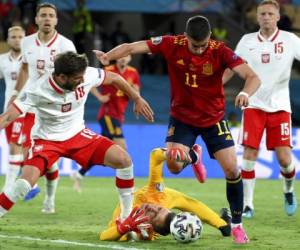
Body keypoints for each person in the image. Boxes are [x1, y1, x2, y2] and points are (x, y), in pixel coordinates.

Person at [94, 15, 262, 244]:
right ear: (186, 37)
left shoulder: (220, 50)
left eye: (203, 45)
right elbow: (134, 46)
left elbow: (252, 77)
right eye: (195, 45)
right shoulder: (173, 44)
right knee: (172, 166)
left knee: (232, 170)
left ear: (209, 38)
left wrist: (244, 93)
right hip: (182, 118)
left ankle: (237, 225)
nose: (200, 50)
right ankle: (194, 155)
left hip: (213, 119)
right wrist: (108, 56)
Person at [0, 51, 154, 220]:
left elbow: (115, 78)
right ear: (61, 77)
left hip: (79, 135)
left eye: (82, 77)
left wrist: (137, 98)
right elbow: (7, 117)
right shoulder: (37, 89)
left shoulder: (86, 74)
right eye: (76, 79)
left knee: (124, 160)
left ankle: (126, 219)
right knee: (24, 184)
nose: (82, 81)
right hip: (47, 141)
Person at [223, 0, 299, 219]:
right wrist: (216, 87)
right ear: (257, 17)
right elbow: (232, 66)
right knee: (249, 154)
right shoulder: (247, 41)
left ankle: (288, 190)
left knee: (285, 159)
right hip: (253, 105)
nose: (266, 17)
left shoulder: (290, 40)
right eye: (262, 14)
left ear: (277, 17)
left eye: (269, 14)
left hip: (280, 106)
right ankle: (248, 205)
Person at [9, 2, 77, 208]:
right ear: (36, 19)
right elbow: (24, 69)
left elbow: (75, 78)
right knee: (27, 147)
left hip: (54, 108)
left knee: (50, 160)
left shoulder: (66, 46)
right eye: (43, 15)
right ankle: (25, 184)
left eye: (51, 15)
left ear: (56, 20)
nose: (47, 18)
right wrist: (15, 93)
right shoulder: (27, 42)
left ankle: (50, 198)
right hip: (31, 104)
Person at [100, 148, 232, 241]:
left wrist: (124, 228)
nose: (152, 208)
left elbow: (105, 236)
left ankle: (223, 224)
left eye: (154, 215)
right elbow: (155, 156)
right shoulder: (156, 195)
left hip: (155, 203)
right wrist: (168, 154)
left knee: (188, 203)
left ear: (150, 227)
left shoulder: (140, 228)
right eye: (158, 209)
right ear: (164, 208)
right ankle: (223, 224)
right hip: (162, 195)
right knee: (189, 203)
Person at [71, 55, 141, 192]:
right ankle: (127, 184)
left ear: (130, 58)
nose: (123, 59)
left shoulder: (133, 72)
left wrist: (136, 97)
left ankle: (79, 173)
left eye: (126, 57)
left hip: (119, 115)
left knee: (100, 151)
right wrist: (99, 97)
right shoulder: (109, 70)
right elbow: (89, 82)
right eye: (121, 57)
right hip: (108, 115)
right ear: (117, 58)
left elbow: (136, 89)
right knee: (122, 148)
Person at [0, 26, 25, 193]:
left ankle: (8, 188)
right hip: (8, 110)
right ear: (8, 40)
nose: (17, 39)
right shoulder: (2, 60)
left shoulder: (31, 58)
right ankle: (32, 184)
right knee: (14, 147)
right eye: (13, 37)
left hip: (26, 109)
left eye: (20, 36)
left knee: (16, 146)